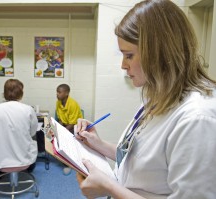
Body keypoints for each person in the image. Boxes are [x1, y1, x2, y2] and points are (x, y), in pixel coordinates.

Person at [75, 0, 216, 198]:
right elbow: (142, 162)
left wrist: (110, 187)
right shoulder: (161, 97)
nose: (123, 65)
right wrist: (98, 144)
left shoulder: (197, 119)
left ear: (159, 52)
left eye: (129, 55)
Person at [0, 79, 38, 175]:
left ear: (4, 93)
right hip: (24, 163)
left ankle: (0, 176)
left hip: (0, 164)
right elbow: (33, 132)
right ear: (21, 93)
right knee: (33, 144)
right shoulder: (28, 109)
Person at [56, 83, 83, 175]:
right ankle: (63, 158)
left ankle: (68, 164)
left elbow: (72, 123)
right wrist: (57, 128)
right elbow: (60, 119)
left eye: (59, 92)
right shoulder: (58, 102)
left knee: (66, 140)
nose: (57, 94)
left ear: (66, 93)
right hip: (66, 125)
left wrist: (62, 131)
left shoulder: (73, 104)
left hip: (76, 126)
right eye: (57, 92)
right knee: (56, 135)